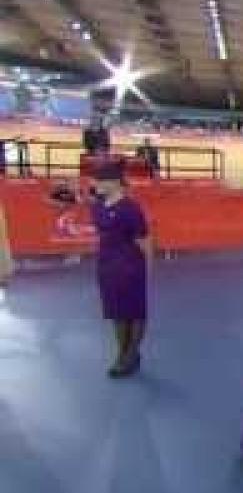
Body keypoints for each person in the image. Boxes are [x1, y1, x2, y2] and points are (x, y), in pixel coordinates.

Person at [90, 160, 152, 377]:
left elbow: (144, 241)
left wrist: (147, 268)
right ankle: (122, 353)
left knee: (134, 312)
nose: (94, 182)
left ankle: (131, 354)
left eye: (99, 179)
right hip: (106, 266)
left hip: (130, 266)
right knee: (116, 312)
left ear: (115, 182)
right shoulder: (96, 206)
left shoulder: (131, 209)